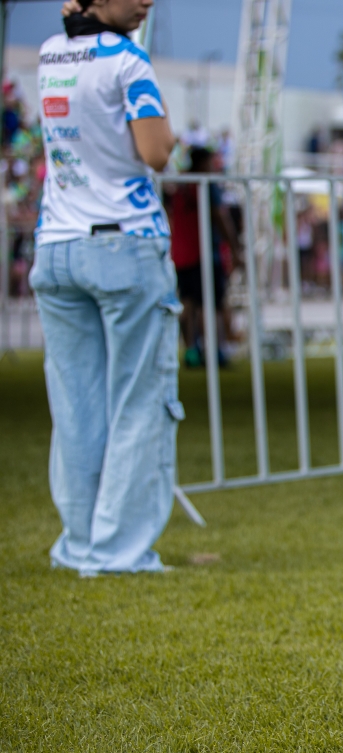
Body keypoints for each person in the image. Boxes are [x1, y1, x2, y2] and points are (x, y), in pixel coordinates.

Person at [30, 0, 178, 575]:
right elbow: (156, 152)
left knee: (75, 408)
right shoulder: (128, 60)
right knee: (138, 401)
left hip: (56, 244)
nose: (147, 1)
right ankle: (119, 551)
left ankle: (79, 544)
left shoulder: (50, 53)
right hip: (126, 244)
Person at [169, 145, 240, 368]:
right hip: (203, 252)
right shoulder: (205, 185)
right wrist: (235, 248)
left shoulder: (179, 185)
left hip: (181, 253)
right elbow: (220, 216)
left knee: (188, 302)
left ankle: (192, 350)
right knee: (212, 303)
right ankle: (217, 350)